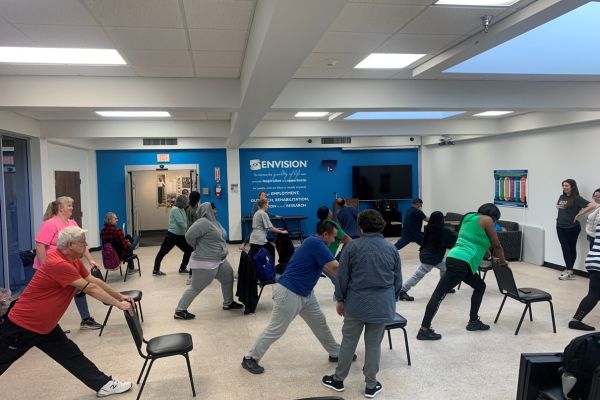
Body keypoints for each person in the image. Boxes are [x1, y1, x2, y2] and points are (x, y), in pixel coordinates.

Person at [0, 226, 133, 397]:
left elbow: (92, 280)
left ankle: (104, 384)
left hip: (45, 326)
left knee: (71, 355)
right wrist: (117, 304)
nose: (86, 245)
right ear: (70, 244)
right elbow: (90, 288)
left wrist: (119, 296)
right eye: (82, 242)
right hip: (23, 326)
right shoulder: (58, 263)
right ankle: (103, 384)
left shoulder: (73, 259)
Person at [241, 221, 342, 375]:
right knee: (277, 329)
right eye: (333, 237)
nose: (334, 241)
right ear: (325, 234)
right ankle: (250, 358)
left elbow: (331, 271)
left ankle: (335, 352)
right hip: (289, 292)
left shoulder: (314, 244)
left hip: (305, 293)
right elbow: (336, 267)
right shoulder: (316, 243)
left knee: (319, 322)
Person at [322, 210, 402, 399]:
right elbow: (398, 281)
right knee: (374, 345)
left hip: (356, 304)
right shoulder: (392, 249)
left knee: (348, 342)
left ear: (361, 226)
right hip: (382, 305)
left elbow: (342, 277)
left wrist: (340, 299)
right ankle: (371, 385)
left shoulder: (352, 247)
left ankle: (338, 380)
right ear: (381, 225)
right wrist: (391, 301)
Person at [417, 203, 507, 341]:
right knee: (438, 295)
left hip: (457, 258)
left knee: (480, 286)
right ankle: (424, 330)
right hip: (462, 262)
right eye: (496, 220)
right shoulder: (487, 220)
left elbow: (478, 241)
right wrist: (502, 261)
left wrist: (490, 258)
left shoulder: (468, 217)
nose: (494, 223)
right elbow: (497, 245)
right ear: (493, 217)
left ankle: (473, 322)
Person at [34, 197, 102, 330]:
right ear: (60, 208)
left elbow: (82, 243)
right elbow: (40, 245)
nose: (71, 208)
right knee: (51, 298)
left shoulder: (72, 223)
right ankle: (47, 325)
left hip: (67, 265)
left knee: (79, 289)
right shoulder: (50, 223)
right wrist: (44, 267)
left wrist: (90, 259)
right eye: (69, 205)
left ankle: (84, 320)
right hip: (52, 267)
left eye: (72, 205)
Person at [174, 203, 243, 319]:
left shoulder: (215, 222)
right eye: (213, 209)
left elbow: (220, 237)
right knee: (196, 287)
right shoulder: (203, 222)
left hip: (219, 260)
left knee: (228, 277)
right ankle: (180, 310)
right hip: (205, 261)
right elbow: (188, 236)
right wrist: (197, 246)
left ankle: (228, 303)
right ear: (207, 210)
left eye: (215, 208)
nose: (215, 211)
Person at [398, 211, 458, 301]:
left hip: (427, 254)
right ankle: (402, 291)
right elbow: (455, 239)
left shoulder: (429, 228)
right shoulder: (444, 230)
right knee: (418, 275)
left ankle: (445, 287)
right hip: (432, 257)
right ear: (441, 219)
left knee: (445, 268)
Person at [556, 179, 595, 280]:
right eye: (563, 186)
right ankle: (569, 269)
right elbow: (558, 206)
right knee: (564, 248)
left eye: (566, 186)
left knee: (570, 248)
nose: (564, 187)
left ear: (572, 187)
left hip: (572, 227)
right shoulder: (562, 196)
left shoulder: (577, 198)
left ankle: (570, 271)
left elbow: (592, 205)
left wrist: (579, 214)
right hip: (560, 226)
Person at [569, 223, 600, 331]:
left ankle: (576, 320)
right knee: (594, 294)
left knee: (594, 292)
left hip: (593, 259)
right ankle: (576, 321)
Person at [153, 195, 193, 276]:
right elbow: (181, 222)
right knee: (162, 252)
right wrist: (189, 229)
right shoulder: (175, 209)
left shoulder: (182, 209)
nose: (187, 203)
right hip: (172, 236)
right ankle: (156, 270)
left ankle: (182, 268)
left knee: (189, 250)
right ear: (182, 202)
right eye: (186, 202)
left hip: (180, 236)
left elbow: (185, 221)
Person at [185, 191, 201, 284]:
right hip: (194, 235)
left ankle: (193, 276)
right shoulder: (194, 210)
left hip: (190, 233)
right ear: (198, 199)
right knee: (194, 255)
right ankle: (191, 277)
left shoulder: (190, 208)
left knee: (194, 254)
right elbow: (195, 224)